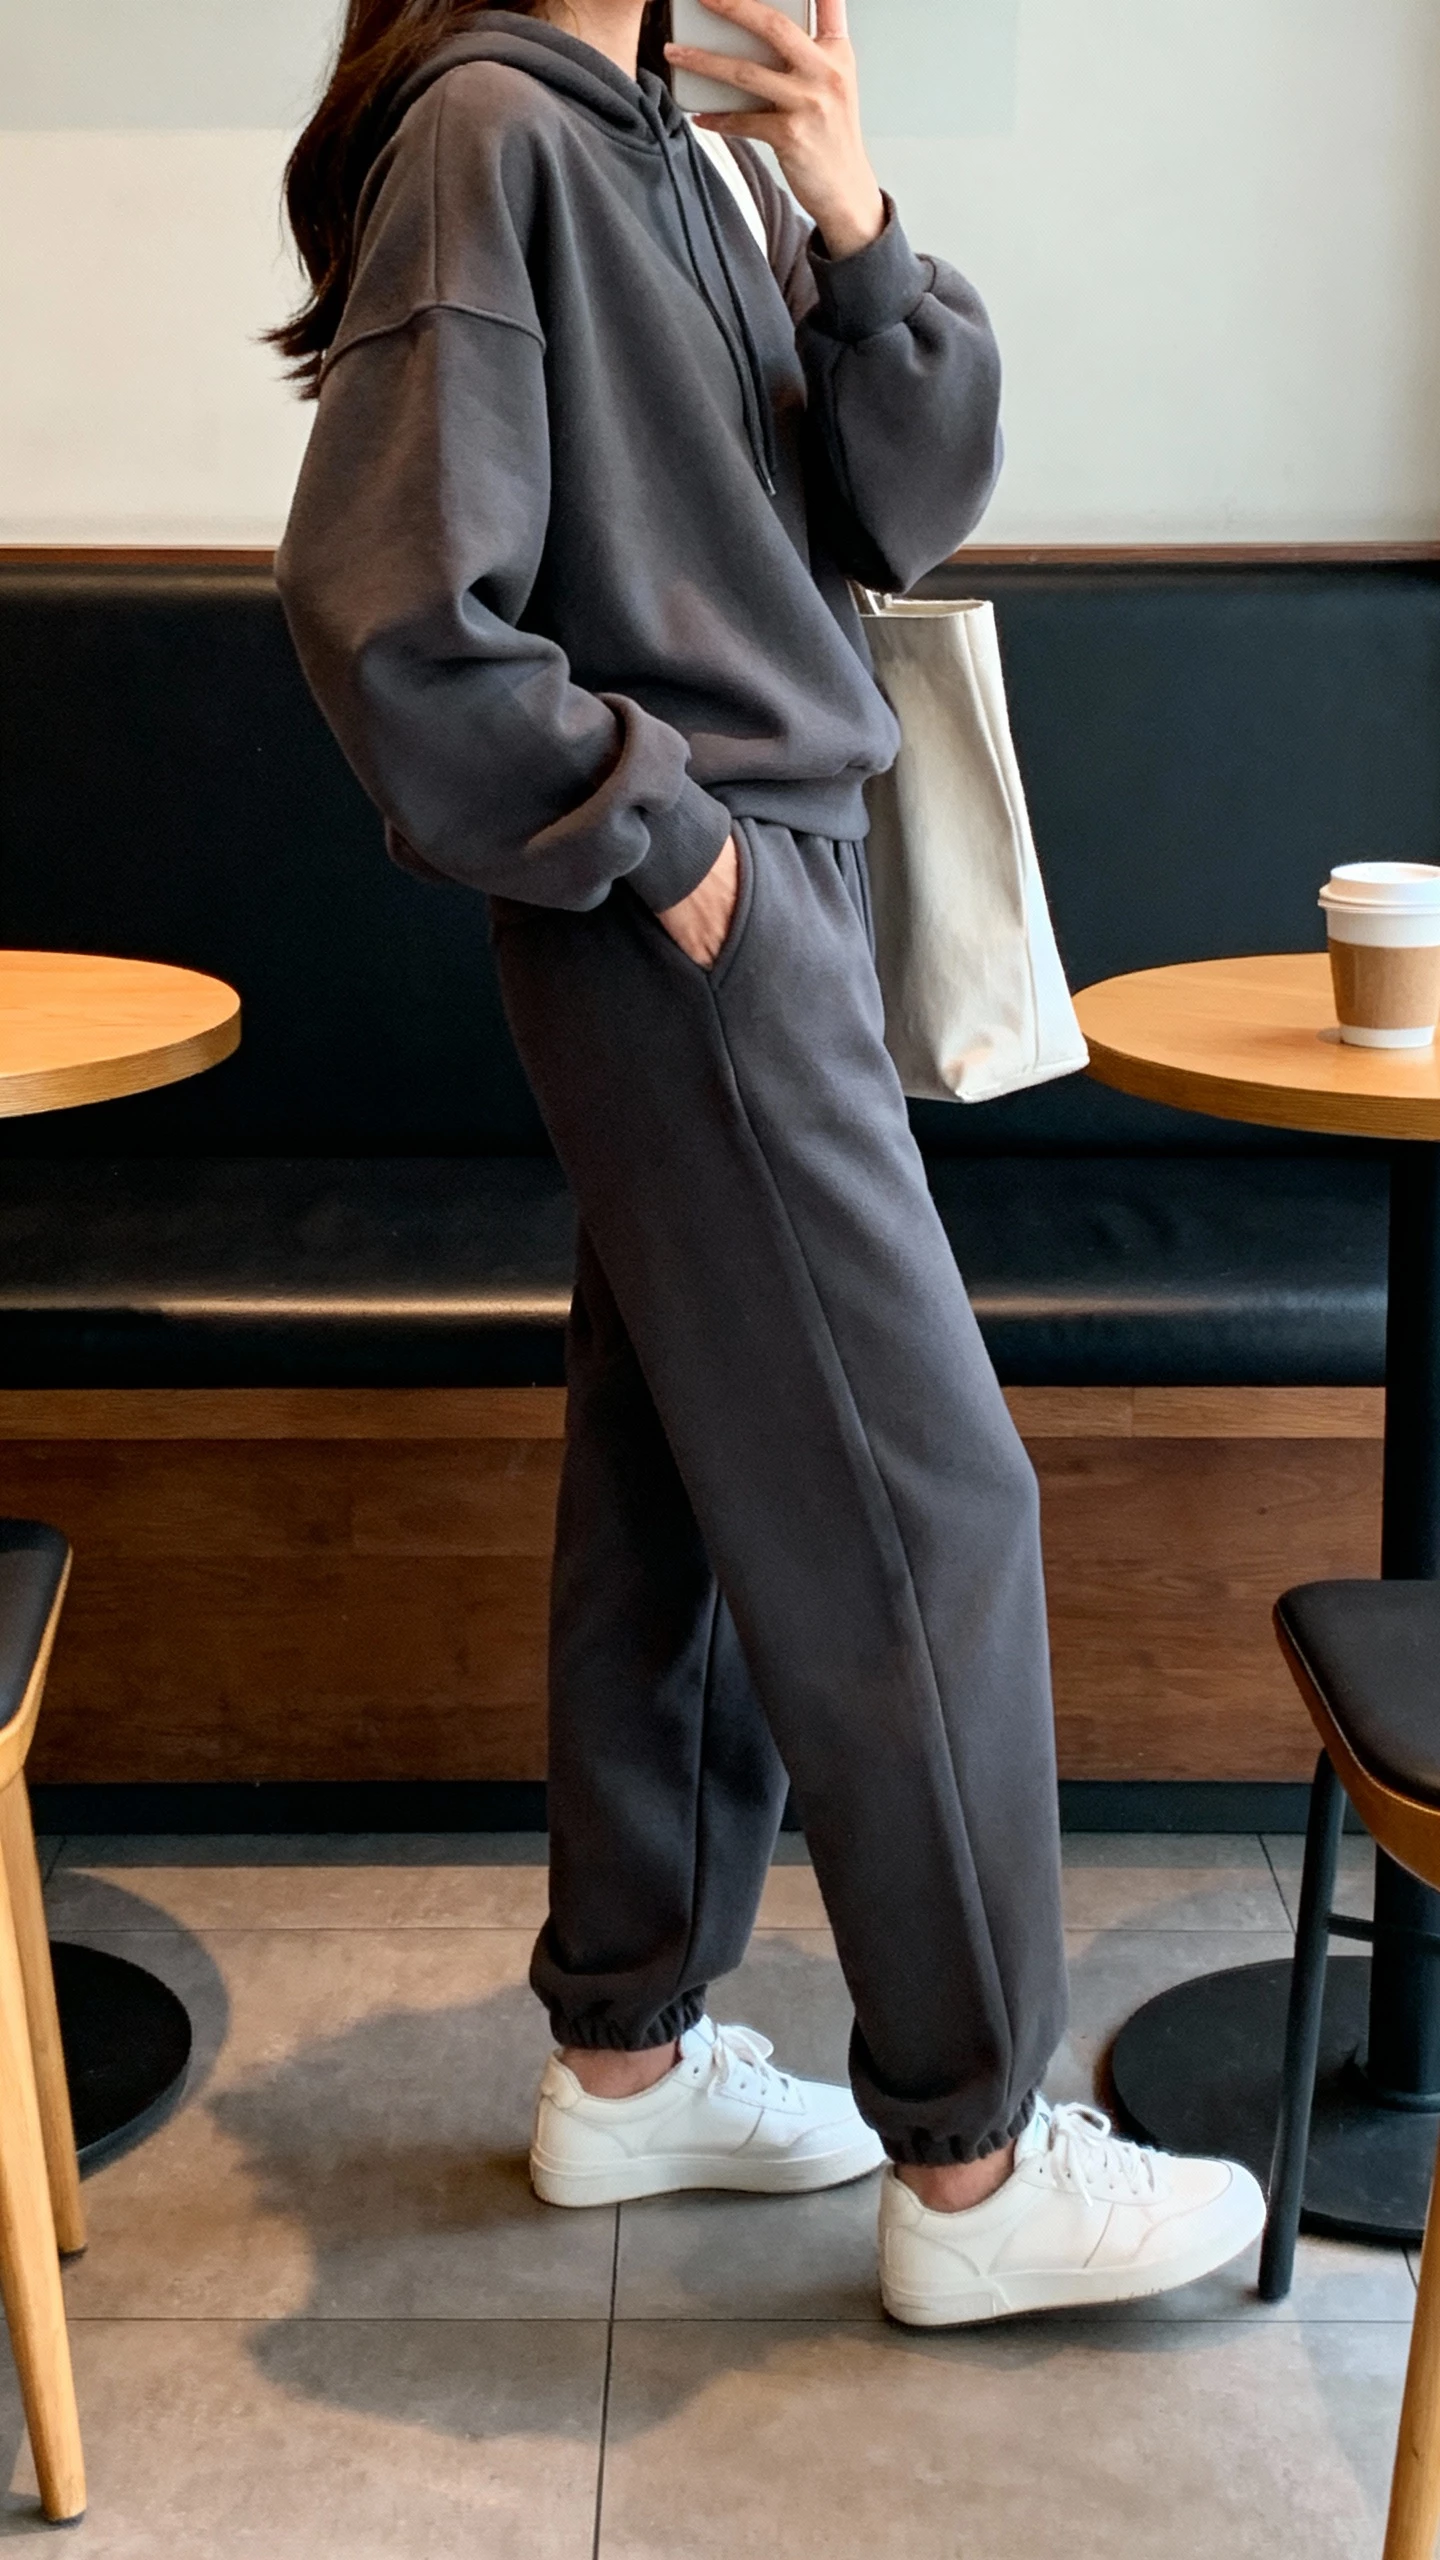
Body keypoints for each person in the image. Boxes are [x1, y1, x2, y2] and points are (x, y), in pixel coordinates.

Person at [272, 0, 1265, 2324]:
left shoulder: (665, 145)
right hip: (692, 919)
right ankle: (982, 2149)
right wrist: (668, 839)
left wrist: (852, 215)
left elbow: (898, 504)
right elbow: (388, 612)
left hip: (752, 895)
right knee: (934, 1503)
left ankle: (625, 2055)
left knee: (694, 1479)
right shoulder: (496, 133)